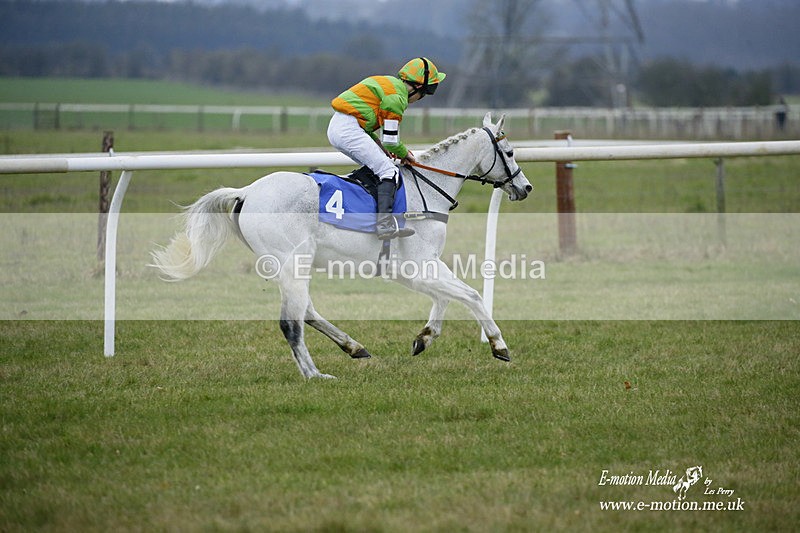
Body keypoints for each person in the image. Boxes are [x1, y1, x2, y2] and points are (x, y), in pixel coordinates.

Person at [327, 57, 446, 240]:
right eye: (425, 93)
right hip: (348, 129)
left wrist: (381, 147)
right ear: (417, 87)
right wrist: (406, 154)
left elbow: (374, 133)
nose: (421, 98)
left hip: (342, 126)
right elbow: (391, 141)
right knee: (389, 170)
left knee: (378, 167)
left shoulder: (388, 83)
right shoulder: (396, 98)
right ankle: (384, 225)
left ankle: (364, 213)